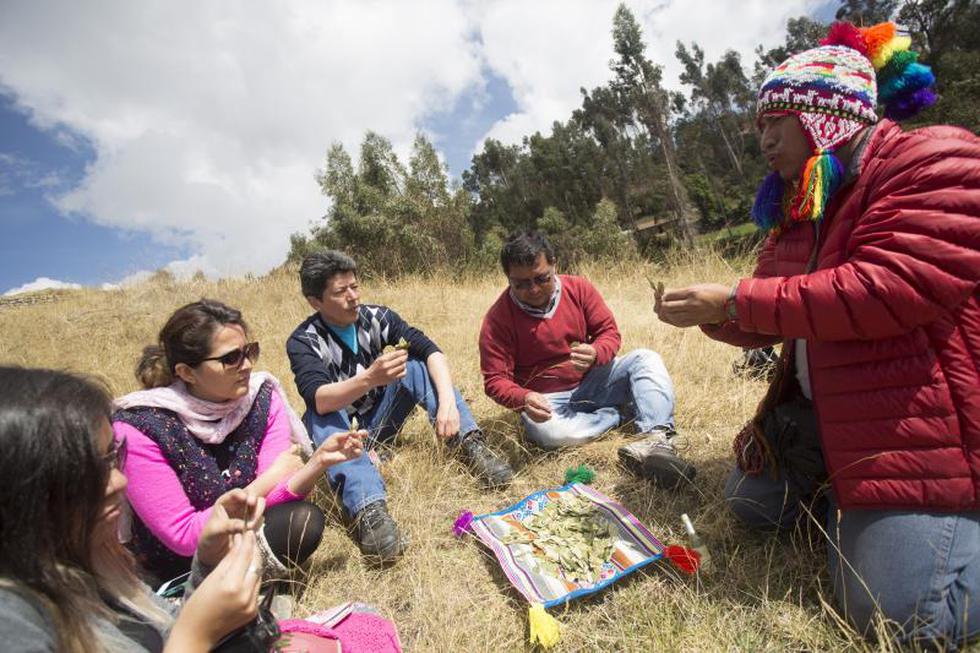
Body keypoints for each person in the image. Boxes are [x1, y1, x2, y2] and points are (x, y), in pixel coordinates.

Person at [655, 21, 979, 648]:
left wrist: (735, 300)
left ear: (827, 113)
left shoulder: (935, 161)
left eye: (776, 119)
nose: (765, 139)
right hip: (834, 418)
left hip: (919, 429)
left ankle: (884, 526)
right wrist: (714, 316)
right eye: (759, 126)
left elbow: (882, 291)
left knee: (903, 621)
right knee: (750, 501)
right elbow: (776, 311)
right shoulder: (802, 207)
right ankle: (854, 510)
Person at [0, 366, 266, 652]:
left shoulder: (93, 560)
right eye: (86, 470)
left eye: (113, 456)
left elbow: (166, 630)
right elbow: (183, 638)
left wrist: (209, 563)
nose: (118, 480)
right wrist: (195, 637)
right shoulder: (12, 621)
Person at [113, 299, 364, 585]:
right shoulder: (141, 427)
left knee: (303, 521)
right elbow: (182, 536)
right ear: (186, 372)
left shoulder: (260, 397)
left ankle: (234, 590)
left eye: (249, 352)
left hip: (245, 529)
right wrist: (267, 480)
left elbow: (274, 500)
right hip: (177, 562)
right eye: (230, 358)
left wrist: (318, 462)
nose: (246, 366)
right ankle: (204, 598)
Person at [287, 250, 515, 562]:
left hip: (381, 422)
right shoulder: (304, 340)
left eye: (355, 286)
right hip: (346, 433)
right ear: (315, 301)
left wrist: (447, 404)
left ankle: (471, 444)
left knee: (417, 365)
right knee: (320, 415)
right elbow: (318, 397)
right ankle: (369, 510)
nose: (353, 297)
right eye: (341, 292)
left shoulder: (378, 318)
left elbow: (432, 351)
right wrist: (369, 378)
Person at [479, 230, 695, 488]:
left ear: (554, 264)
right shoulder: (498, 319)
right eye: (521, 284)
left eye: (541, 278)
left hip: (595, 380)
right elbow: (495, 380)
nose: (533, 289)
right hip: (548, 402)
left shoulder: (579, 288)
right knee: (548, 433)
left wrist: (596, 353)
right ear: (508, 279)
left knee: (645, 359)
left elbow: (609, 333)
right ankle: (617, 414)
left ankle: (657, 441)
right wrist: (523, 398)